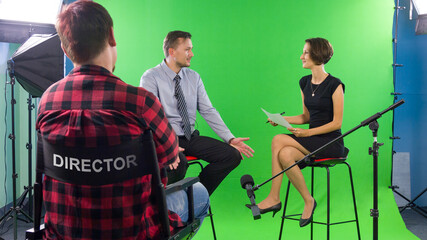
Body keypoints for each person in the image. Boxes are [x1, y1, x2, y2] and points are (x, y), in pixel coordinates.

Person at [36, 1, 209, 239]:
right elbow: (171, 158)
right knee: (199, 192)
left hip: (64, 232)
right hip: (133, 231)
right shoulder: (140, 102)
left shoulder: (47, 101)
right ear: (111, 36)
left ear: (66, 50)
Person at [140, 31, 254, 195]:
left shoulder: (194, 77)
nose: (191, 54)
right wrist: (168, 145)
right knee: (179, 163)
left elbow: (208, 111)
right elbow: (151, 118)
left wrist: (230, 138)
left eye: (191, 49)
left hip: (189, 137)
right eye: (187, 49)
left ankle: (194, 198)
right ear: (172, 51)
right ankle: (168, 211)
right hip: (164, 139)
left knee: (232, 155)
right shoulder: (151, 77)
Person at [253, 38, 345, 227]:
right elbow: (306, 117)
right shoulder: (304, 82)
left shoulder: (336, 85)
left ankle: (273, 197)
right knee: (285, 153)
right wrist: (280, 119)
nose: (301, 56)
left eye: (305, 52)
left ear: (317, 54)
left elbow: (337, 123)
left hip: (330, 143)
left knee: (278, 139)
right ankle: (308, 200)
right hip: (311, 140)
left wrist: (307, 134)